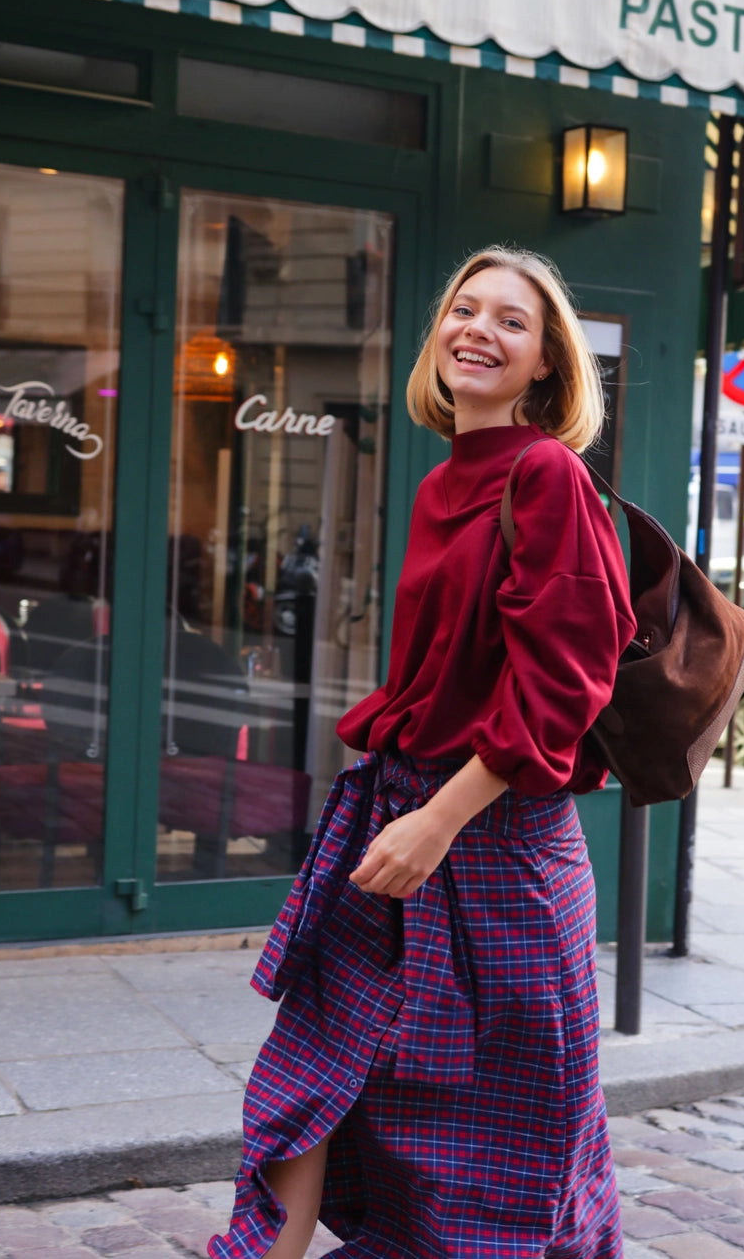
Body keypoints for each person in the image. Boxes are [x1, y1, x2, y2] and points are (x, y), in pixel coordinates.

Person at [209, 246, 636, 1259]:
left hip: (497, 850)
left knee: (491, 1149)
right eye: (464, 308)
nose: (478, 330)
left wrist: (438, 820)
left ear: (547, 365)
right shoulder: (449, 477)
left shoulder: (547, 475)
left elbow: (563, 687)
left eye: (512, 321)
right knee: (306, 1073)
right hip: (399, 816)